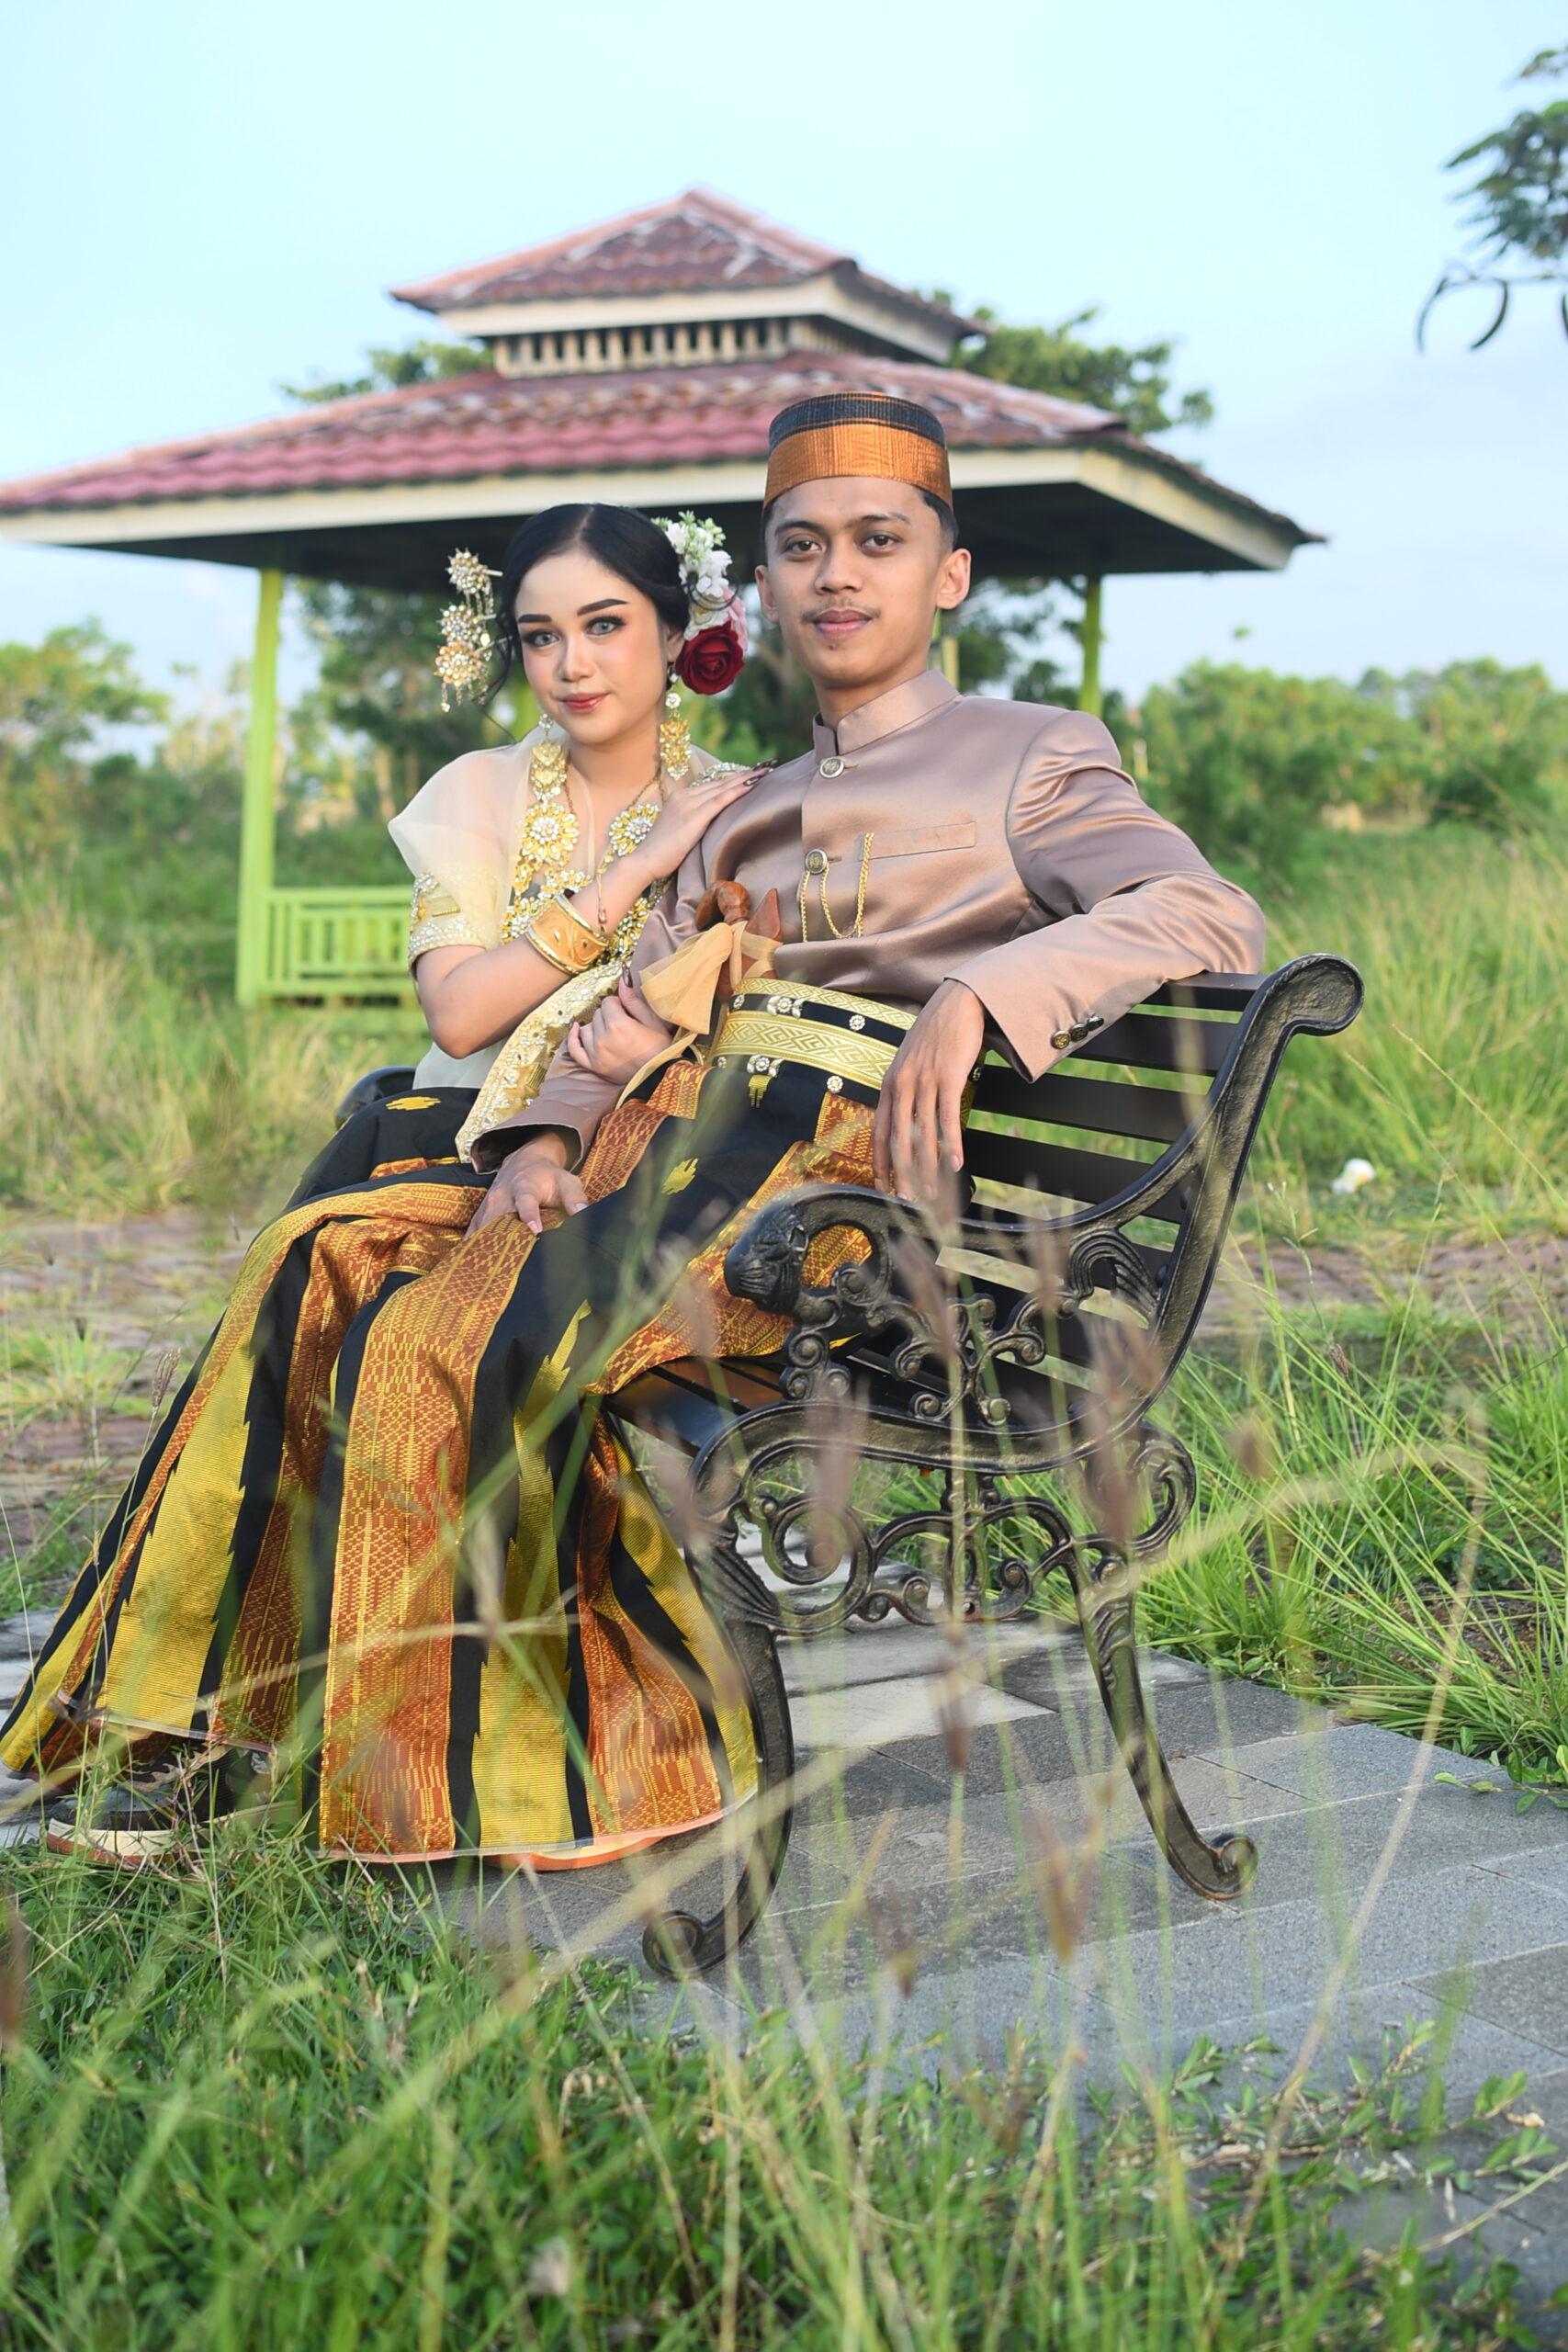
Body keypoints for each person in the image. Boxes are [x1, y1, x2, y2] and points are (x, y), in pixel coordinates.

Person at [9, 393, 1264, 1873]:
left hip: (829, 1213)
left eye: (876, 541)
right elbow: (629, 1016)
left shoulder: (1028, 755)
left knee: (440, 1342)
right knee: (321, 1262)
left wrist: (984, 993)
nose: (836, 574)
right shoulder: (750, 805)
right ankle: (206, 1733)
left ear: (950, 574)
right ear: (766, 584)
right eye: (801, 546)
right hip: (666, 1156)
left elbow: (1202, 910)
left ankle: (500, 1780)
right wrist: (538, 1143)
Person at [288, 504, 753, 1201]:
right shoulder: (473, 788)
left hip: (653, 1150)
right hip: (460, 1140)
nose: (573, 666)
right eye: (542, 637)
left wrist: (658, 1062)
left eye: (604, 625)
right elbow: (458, 1019)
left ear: (672, 631)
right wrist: (637, 869)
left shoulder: (735, 810)